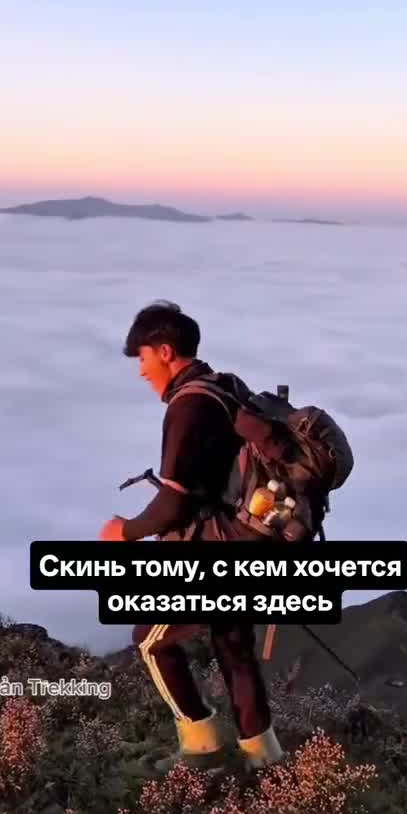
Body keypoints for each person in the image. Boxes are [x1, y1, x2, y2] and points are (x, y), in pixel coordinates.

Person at [98, 300, 284, 774]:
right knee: (233, 645)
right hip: (251, 543)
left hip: (215, 549)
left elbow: (173, 504)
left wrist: (125, 532)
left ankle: (201, 746)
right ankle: (263, 758)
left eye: (142, 358)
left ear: (165, 352)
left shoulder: (188, 405)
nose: (141, 371)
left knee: (149, 639)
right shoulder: (227, 387)